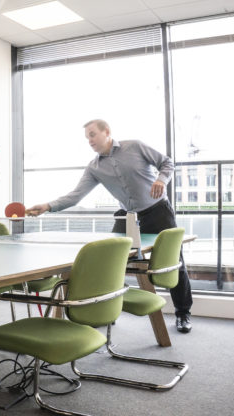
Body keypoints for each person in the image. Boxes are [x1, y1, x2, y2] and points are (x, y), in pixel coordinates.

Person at [25, 119, 193, 333]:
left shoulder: (135, 146)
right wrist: (48, 206)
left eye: (93, 134)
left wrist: (161, 180)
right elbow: (76, 196)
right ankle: (106, 308)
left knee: (174, 261)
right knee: (110, 260)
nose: (90, 141)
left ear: (107, 132)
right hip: (128, 216)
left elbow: (167, 162)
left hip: (157, 210)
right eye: (87, 138)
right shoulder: (94, 167)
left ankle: (183, 313)